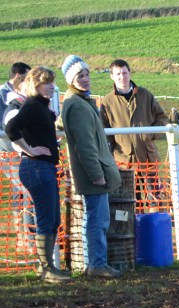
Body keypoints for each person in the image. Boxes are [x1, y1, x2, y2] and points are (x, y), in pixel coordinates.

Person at [4, 66, 72, 283]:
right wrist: (29, 150)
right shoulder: (33, 105)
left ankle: (47, 266)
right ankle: (46, 268)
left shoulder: (41, 106)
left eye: (52, 82)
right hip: (35, 167)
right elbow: (11, 128)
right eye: (46, 82)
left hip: (44, 167)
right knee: (46, 218)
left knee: (52, 219)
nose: (51, 86)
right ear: (36, 85)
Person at [59, 55, 123, 278]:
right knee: (98, 220)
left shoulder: (77, 101)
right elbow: (85, 145)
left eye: (86, 74)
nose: (86, 79)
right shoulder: (77, 105)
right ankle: (97, 264)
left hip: (94, 171)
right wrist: (96, 174)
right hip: (94, 173)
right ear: (71, 80)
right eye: (80, 76)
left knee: (95, 218)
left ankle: (95, 263)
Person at [100, 59, 168, 200]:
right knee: (130, 201)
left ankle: (153, 215)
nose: (122, 77)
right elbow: (103, 128)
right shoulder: (107, 102)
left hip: (148, 158)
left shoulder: (145, 95)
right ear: (112, 76)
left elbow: (162, 118)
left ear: (130, 73)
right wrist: (114, 146)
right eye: (118, 74)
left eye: (124, 73)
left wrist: (150, 135)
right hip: (124, 162)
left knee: (155, 199)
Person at [1, 62, 31, 152]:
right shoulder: (2, 95)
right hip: (8, 146)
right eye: (28, 77)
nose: (30, 80)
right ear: (18, 76)